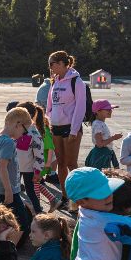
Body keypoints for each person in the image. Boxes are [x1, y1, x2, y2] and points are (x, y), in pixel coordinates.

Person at [44, 50, 87, 198]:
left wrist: (74, 130)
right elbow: (49, 105)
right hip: (55, 127)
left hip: (70, 128)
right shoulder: (54, 81)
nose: (50, 67)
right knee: (61, 164)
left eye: (52, 64)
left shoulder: (77, 81)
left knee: (71, 164)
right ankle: (65, 196)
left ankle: (79, 197)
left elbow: (80, 107)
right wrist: (50, 120)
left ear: (62, 63)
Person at [0, 108, 34, 237]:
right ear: (18, 124)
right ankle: (10, 246)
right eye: (25, 130)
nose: (24, 134)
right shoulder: (8, 142)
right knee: (22, 224)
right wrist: (8, 190)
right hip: (6, 190)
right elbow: (2, 166)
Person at [13, 106, 46, 215]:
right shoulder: (17, 129)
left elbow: (39, 153)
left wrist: (37, 171)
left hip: (29, 168)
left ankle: (38, 212)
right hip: (16, 167)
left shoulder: (34, 133)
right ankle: (17, 212)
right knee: (14, 190)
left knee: (30, 191)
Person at [84, 99, 122, 169]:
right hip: (101, 154)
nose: (110, 111)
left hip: (104, 152)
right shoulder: (98, 124)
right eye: (107, 109)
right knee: (102, 173)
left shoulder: (100, 123)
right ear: (98, 111)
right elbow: (100, 144)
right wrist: (113, 138)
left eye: (110, 109)